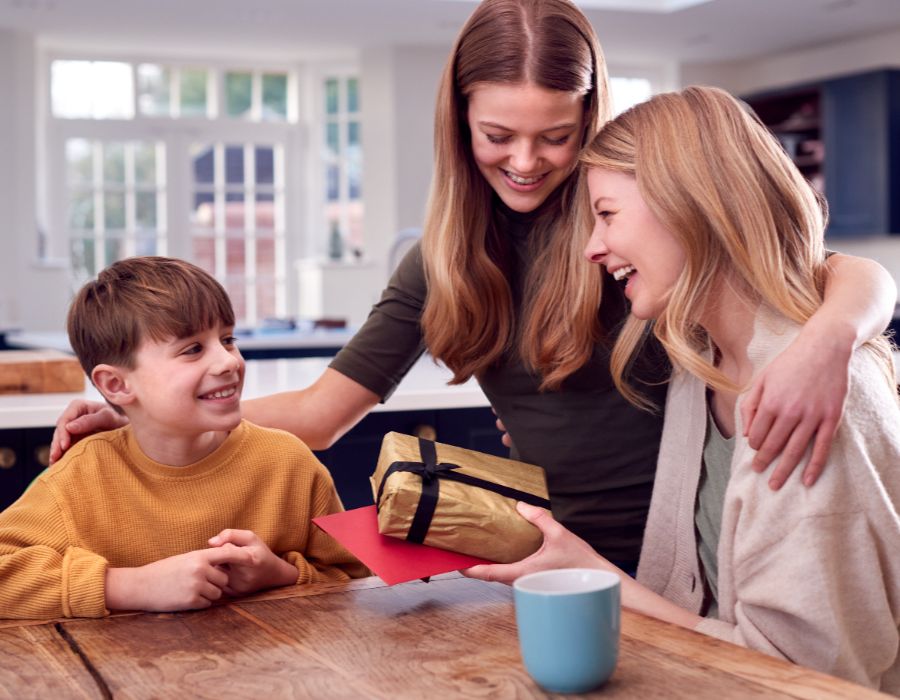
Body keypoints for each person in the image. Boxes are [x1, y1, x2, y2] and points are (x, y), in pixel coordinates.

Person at [48, 0, 896, 571]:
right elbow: (317, 414)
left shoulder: (630, 229)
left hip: (688, 554)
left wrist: (832, 336)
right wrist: (152, 413)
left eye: (556, 137)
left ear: (589, 120)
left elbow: (835, 271)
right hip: (541, 552)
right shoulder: (446, 260)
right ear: (459, 121)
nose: (526, 163)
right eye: (499, 134)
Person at [467, 86, 900, 692]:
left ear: (692, 203)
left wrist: (599, 576)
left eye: (608, 214)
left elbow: (806, 679)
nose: (592, 247)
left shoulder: (819, 399)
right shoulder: (697, 360)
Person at [0, 257, 366, 620]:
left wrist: (281, 575)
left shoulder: (290, 464)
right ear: (116, 384)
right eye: (192, 349)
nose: (227, 362)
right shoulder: (80, 480)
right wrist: (133, 586)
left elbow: (356, 581)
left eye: (227, 339)